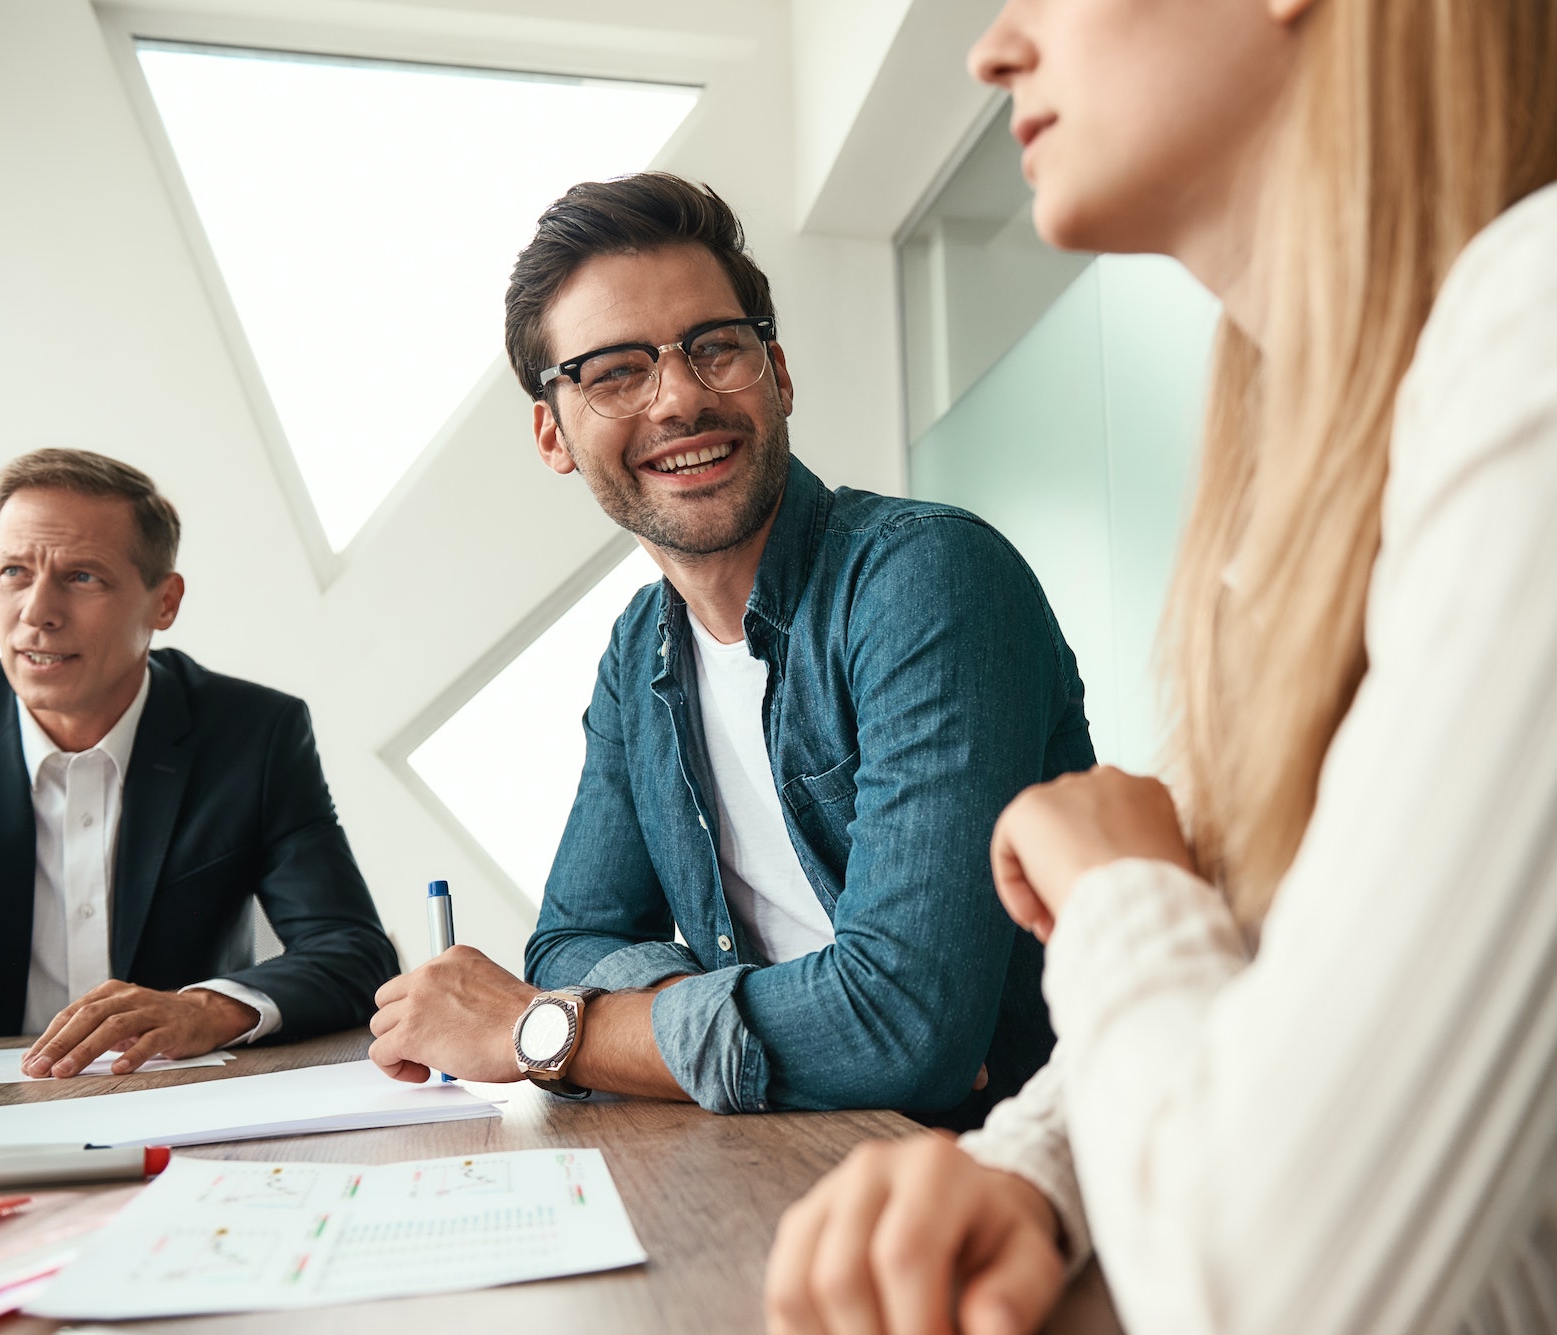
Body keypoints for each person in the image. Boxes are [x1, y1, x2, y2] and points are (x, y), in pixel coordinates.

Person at [763, 0, 1557, 1331]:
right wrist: (1030, 1170)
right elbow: (1292, 984)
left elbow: (1279, 1287)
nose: (992, 50)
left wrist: (1115, 884)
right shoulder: (1301, 486)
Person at [367, 174, 1093, 1129]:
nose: (679, 399)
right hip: (787, 1148)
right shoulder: (639, 652)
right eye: (616, 371)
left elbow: (907, 1032)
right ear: (553, 432)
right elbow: (570, 939)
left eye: (715, 347)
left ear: (778, 374)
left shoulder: (927, 580)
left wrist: (547, 1033)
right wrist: (772, 1024)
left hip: (1021, 1174)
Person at [0, 449, 398, 1074]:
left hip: (170, 1093)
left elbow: (352, 951)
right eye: (13, 573)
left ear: (164, 602)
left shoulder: (252, 735)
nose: (37, 613)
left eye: (82, 577)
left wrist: (207, 1010)